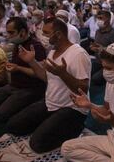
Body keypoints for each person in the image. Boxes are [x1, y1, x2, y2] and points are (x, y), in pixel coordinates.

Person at [7, 18, 91, 153]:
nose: (42, 36)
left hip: (72, 108)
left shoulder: (78, 54)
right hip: (51, 103)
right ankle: (51, 122)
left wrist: (62, 74)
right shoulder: (52, 51)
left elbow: (83, 89)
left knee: (37, 144)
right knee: (14, 125)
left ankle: (75, 127)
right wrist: (32, 62)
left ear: (58, 35)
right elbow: (47, 78)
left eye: (46, 33)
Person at [0, 17, 47, 121]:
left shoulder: (35, 47)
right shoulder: (18, 44)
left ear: (22, 32)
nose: (8, 36)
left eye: (11, 33)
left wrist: (18, 68)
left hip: (30, 88)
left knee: (2, 115)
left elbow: (39, 74)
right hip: (14, 84)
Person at [90, 10, 114, 85]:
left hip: (110, 63)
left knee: (95, 79)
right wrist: (94, 48)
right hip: (98, 61)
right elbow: (98, 47)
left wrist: (103, 49)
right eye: (98, 18)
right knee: (86, 72)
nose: (98, 20)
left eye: (101, 18)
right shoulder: (98, 32)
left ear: (108, 20)